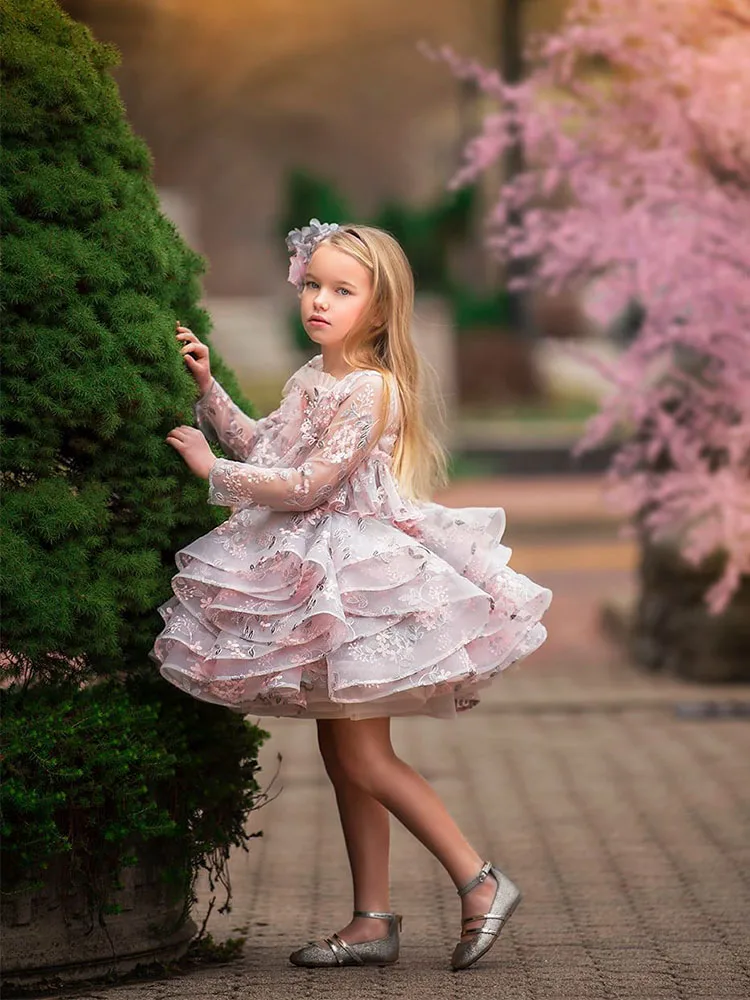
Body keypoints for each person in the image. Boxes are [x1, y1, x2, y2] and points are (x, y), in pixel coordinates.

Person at [150, 220, 552, 971]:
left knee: (365, 759)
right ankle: (372, 920)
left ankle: (479, 879)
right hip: (320, 573)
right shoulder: (314, 377)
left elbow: (309, 487)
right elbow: (269, 449)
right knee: (346, 755)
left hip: (354, 575)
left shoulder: (372, 389)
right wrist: (209, 393)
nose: (320, 301)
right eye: (312, 285)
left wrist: (210, 471)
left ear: (378, 307)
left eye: (342, 290)